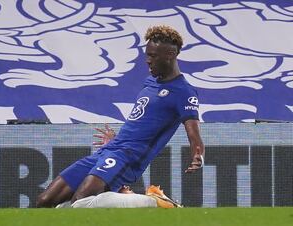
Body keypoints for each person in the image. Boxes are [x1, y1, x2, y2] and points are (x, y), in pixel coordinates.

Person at [36, 25, 205, 208]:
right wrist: (118, 139)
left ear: (170, 55)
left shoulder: (184, 92)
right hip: (110, 150)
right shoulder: (150, 82)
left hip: (128, 157)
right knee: (44, 202)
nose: (148, 61)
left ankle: (156, 202)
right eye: (147, 55)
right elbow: (142, 120)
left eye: (153, 56)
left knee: (80, 203)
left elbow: (194, 135)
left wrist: (199, 155)